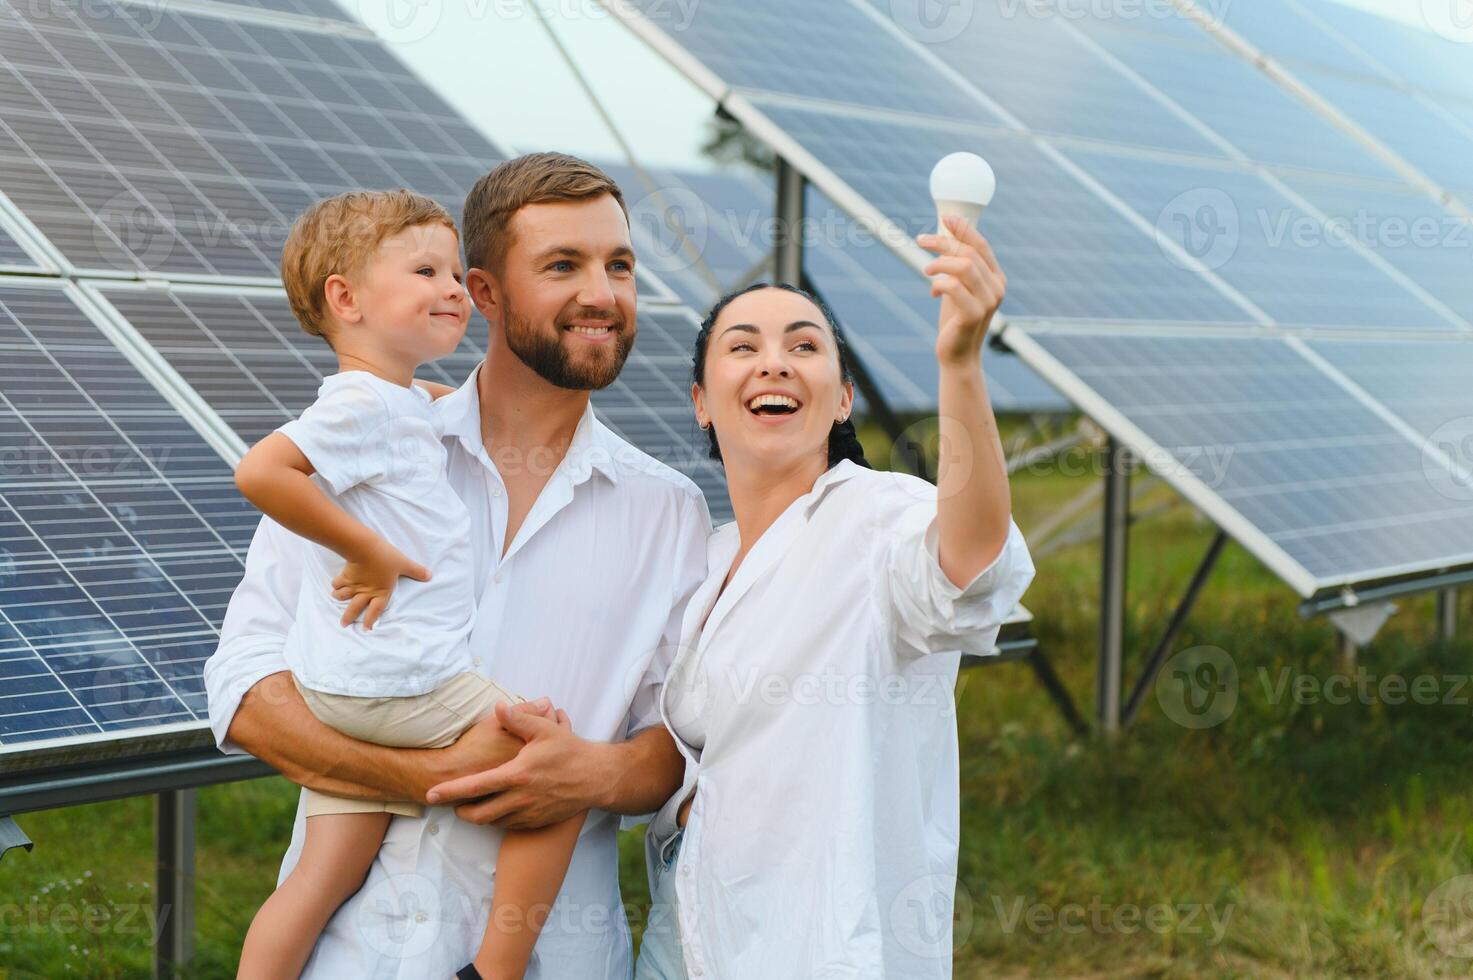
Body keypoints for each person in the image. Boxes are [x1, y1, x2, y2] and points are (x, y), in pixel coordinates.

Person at [204, 153, 709, 978]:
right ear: (482, 293)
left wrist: (586, 773)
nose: (602, 293)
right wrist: (426, 774)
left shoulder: (667, 510)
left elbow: (676, 751)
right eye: (562, 265)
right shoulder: (364, 457)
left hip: (557, 958)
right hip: (354, 954)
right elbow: (247, 690)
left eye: (619, 265)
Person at [632, 215, 1036, 977]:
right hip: (683, 926)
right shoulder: (706, 560)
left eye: (804, 345)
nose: (773, 363)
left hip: (818, 943)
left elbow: (970, 566)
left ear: (843, 398)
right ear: (700, 401)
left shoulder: (879, 515)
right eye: (742, 346)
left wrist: (960, 364)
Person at [229, 188, 585, 980]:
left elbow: (411, 414)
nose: (455, 289)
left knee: (322, 878)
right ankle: (493, 973)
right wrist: (369, 551)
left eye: (457, 274)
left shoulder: (395, 400)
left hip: (343, 682)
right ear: (345, 299)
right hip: (400, 682)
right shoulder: (362, 407)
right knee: (553, 777)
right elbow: (261, 470)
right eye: (425, 270)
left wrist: (429, 400)